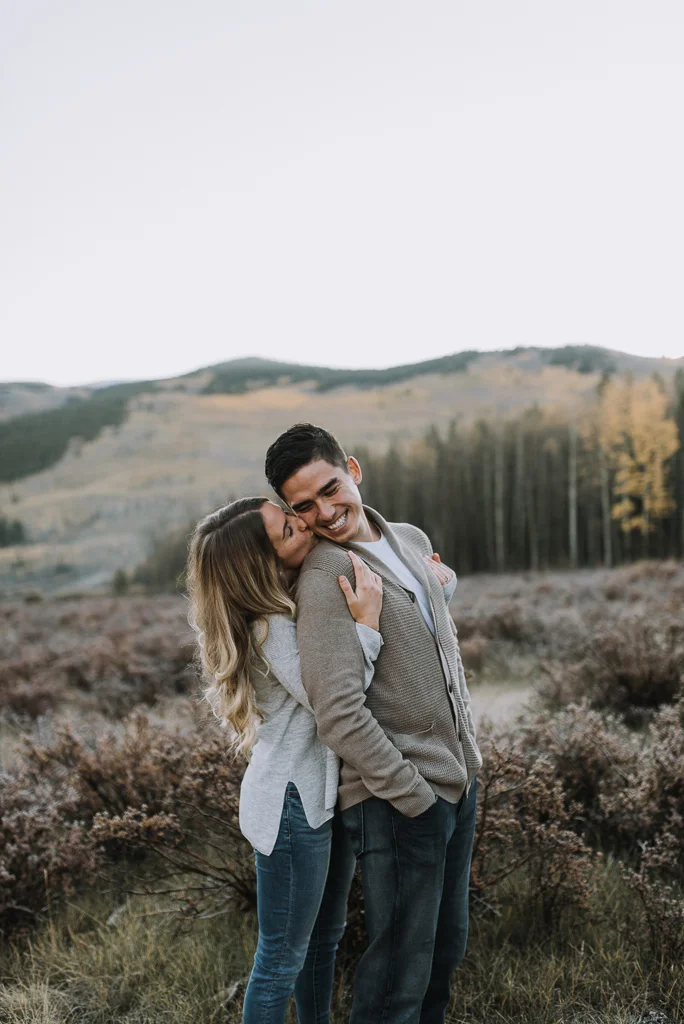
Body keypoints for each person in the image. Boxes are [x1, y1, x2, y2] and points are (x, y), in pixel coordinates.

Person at [264, 424, 482, 1024]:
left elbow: (428, 626)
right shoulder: (324, 576)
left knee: (443, 952)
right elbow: (337, 712)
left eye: (331, 489)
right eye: (304, 506)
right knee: (395, 978)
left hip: (458, 781)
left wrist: (446, 583)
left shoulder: (408, 538)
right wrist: (413, 794)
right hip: (397, 799)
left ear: (353, 470)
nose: (326, 513)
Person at [187, 496, 387, 1024]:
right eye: (288, 529)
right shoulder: (268, 626)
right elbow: (332, 701)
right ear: (263, 565)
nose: (305, 524)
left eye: (290, 515)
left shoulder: (291, 602)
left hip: (317, 797)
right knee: (280, 960)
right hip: (292, 807)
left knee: (324, 940)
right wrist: (368, 626)